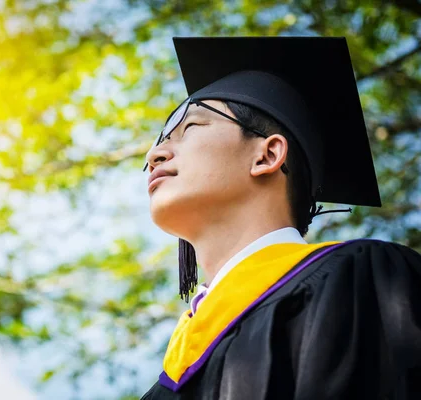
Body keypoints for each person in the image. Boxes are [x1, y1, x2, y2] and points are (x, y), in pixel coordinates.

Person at [140, 36, 421, 399]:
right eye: (161, 139)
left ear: (268, 155)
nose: (154, 154)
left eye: (191, 127)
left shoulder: (365, 283)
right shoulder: (168, 380)